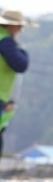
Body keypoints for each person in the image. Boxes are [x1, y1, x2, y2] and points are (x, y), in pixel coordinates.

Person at [0, 9, 34, 156]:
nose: (20, 30)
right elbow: (21, 64)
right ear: (11, 26)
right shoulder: (6, 41)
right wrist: (22, 51)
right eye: (20, 27)